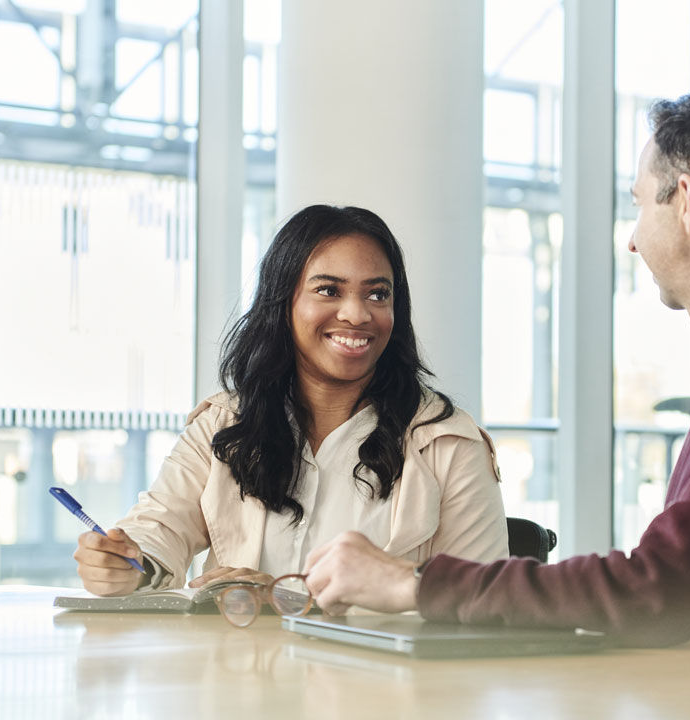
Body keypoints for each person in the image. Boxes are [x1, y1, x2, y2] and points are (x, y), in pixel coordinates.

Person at [302, 80, 690, 650]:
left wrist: (412, 584)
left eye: (637, 205)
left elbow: (654, 590)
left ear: (687, 202)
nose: (632, 238)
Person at [72, 204, 508, 597]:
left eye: (378, 294)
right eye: (328, 290)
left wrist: (285, 601)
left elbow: (480, 599)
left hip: (381, 685)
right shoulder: (226, 422)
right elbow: (160, 526)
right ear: (283, 303)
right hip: (233, 677)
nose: (357, 314)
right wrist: (130, 563)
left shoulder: (449, 444)